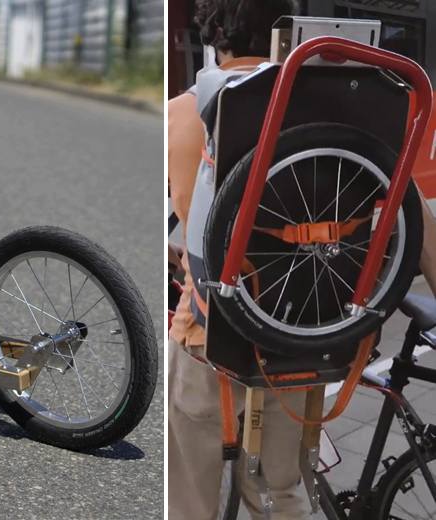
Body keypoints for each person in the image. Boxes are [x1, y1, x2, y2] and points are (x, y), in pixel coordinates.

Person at [168, 1, 311, 519]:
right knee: (280, 491)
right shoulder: (329, 105)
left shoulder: (185, 109)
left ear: (215, 37)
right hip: (303, 337)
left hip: (210, 333)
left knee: (188, 497)